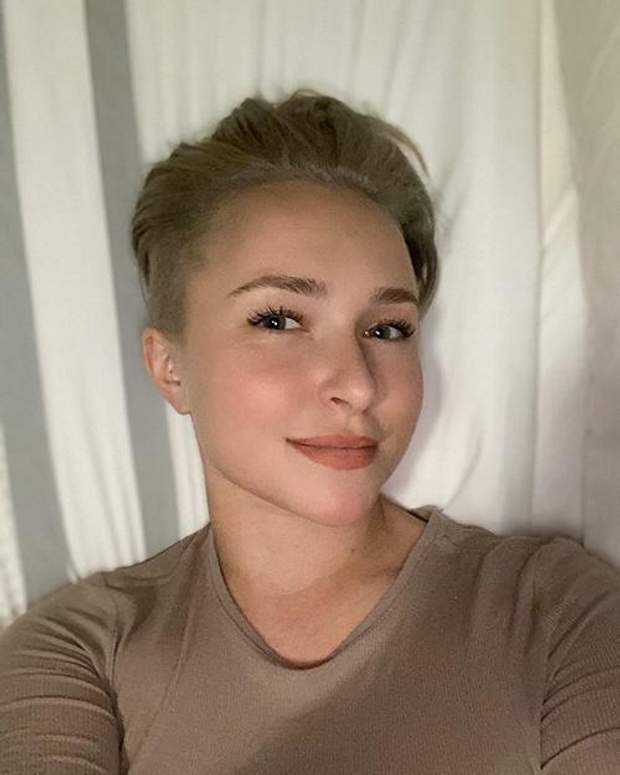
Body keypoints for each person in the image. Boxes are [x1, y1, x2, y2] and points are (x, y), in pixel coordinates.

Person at [1, 89, 619, 774]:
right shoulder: (79, 652)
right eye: (279, 320)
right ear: (170, 367)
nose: (357, 383)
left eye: (388, 329)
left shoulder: (557, 610)